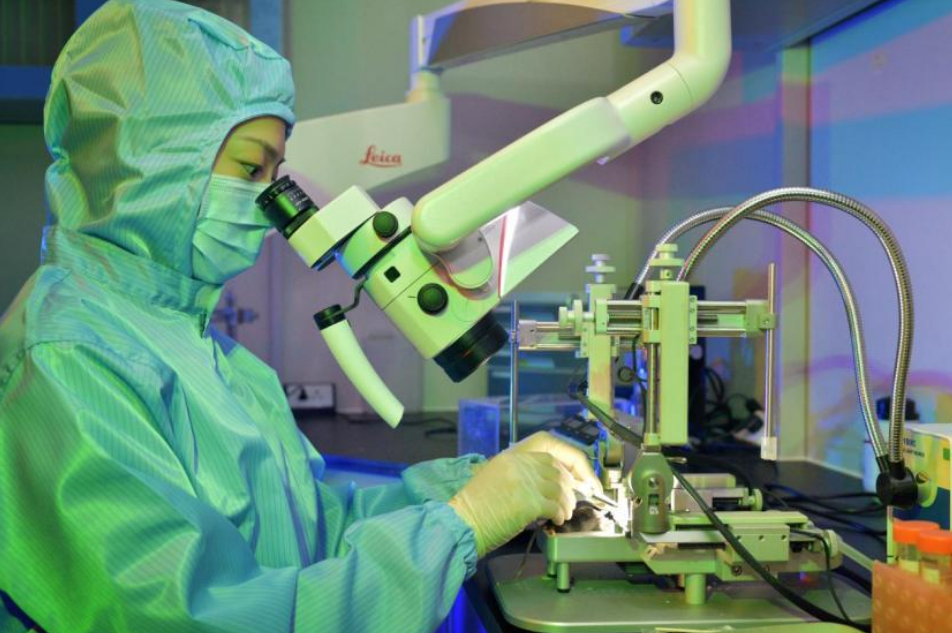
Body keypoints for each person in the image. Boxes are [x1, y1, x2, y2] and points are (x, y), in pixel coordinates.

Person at [0, 1, 599, 632]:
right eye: (250, 168)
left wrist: (478, 487)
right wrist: (463, 524)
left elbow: (317, 530)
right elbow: (197, 619)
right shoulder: (65, 360)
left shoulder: (203, 351)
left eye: (274, 173)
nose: (266, 199)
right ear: (151, 160)